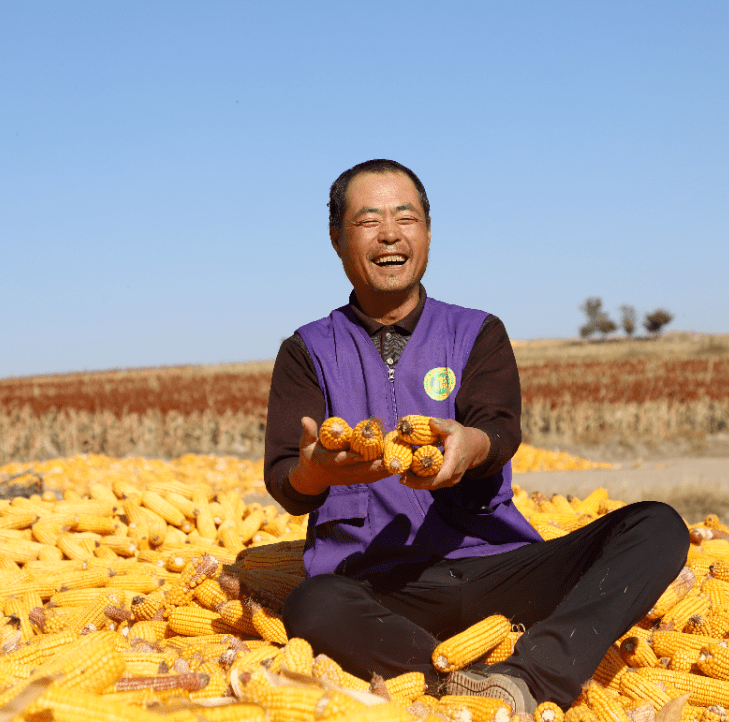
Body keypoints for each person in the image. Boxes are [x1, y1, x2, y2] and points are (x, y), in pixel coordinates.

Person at [263, 159, 690, 714]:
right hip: (381, 586)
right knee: (313, 605)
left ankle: (531, 674)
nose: (390, 234)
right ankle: (457, 683)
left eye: (406, 218)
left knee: (657, 526)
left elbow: (500, 428)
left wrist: (470, 446)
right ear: (336, 237)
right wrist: (314, 473)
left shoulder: (475, 332)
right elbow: (286, 479)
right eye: (369, 220)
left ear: (428, 232)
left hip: (498, 569)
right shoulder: (308, 351)